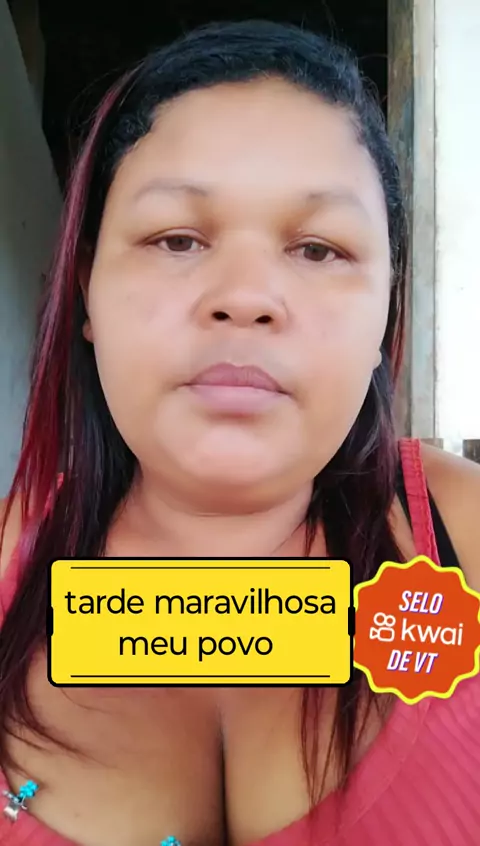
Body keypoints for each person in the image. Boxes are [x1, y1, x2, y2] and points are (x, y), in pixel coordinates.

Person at [0, 18, 479, 846]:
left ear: (386, 314)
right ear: (85, 292)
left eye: (319, 249)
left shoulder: (463, 528)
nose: (246, 296)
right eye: (176, 238)